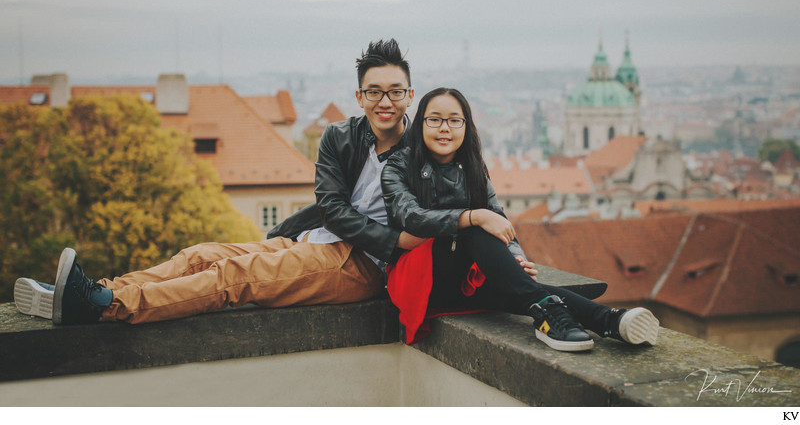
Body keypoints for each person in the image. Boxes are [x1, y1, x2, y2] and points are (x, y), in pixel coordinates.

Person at [15, 38, 429, 325]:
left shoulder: (422, 152)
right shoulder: (340, 136)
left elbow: (443, 205)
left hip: (361, 265)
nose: (385, 102)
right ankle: (83, 294)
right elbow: (331, 206)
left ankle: (107, 306)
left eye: (395, 92)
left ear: (410, 95)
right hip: (315, 243)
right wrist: (283, 235)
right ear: (360, 98)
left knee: (234, 276)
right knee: (199, 255)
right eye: (374, 92)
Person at [380, 87, 659, 352]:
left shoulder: (475, 168)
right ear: (420, 125)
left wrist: (515, 258)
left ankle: (610, 320)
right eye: (435, 120)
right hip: (418, 278)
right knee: (476, 229)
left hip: (465, 279)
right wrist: (472, 216)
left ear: (466, 126)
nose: (444, 128)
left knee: (520, 285)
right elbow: (411, 217)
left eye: (454, 120)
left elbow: (499, 220)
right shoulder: (399, 165)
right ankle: (550, 317)